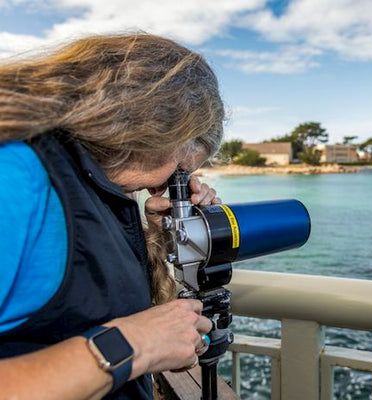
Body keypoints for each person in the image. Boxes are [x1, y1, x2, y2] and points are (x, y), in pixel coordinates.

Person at [0, 33, 225, 399]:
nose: (166, 187)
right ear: (158, 132)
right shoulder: (15, 174)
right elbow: (122, 338)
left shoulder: (89, 182)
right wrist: (135, 344)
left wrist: (158, 234)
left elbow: (82, 308)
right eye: (178, 171)